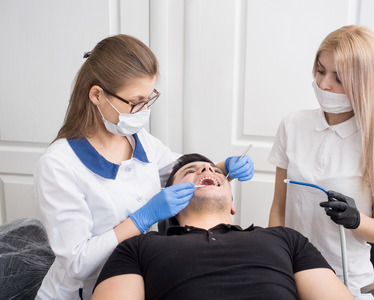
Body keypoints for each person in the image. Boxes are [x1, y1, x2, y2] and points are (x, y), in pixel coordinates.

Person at [33, 34, 254, 300]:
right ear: (97, 95)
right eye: (135, 102)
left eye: (149, 99)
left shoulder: (137, 139)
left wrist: (222, 166)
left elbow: (177, 169)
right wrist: (141, 219)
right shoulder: (58, 165)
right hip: (80, 292)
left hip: (131, 280)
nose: (143, 110)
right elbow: (76, 263)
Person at [91, 153, 354, 300]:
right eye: (190, 171)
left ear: (232, 204)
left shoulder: (286, 240)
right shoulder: (138, 248)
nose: (208, 168)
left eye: (216, 171)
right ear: (171, 202)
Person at [268, 25, 374, 298]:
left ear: (365, 83)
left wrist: (357, 220)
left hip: (347, 279)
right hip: (291, 272)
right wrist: (274, 260)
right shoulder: (293, 124)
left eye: (339, 78)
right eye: (320, 70)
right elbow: (279, 208)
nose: (323, 84)